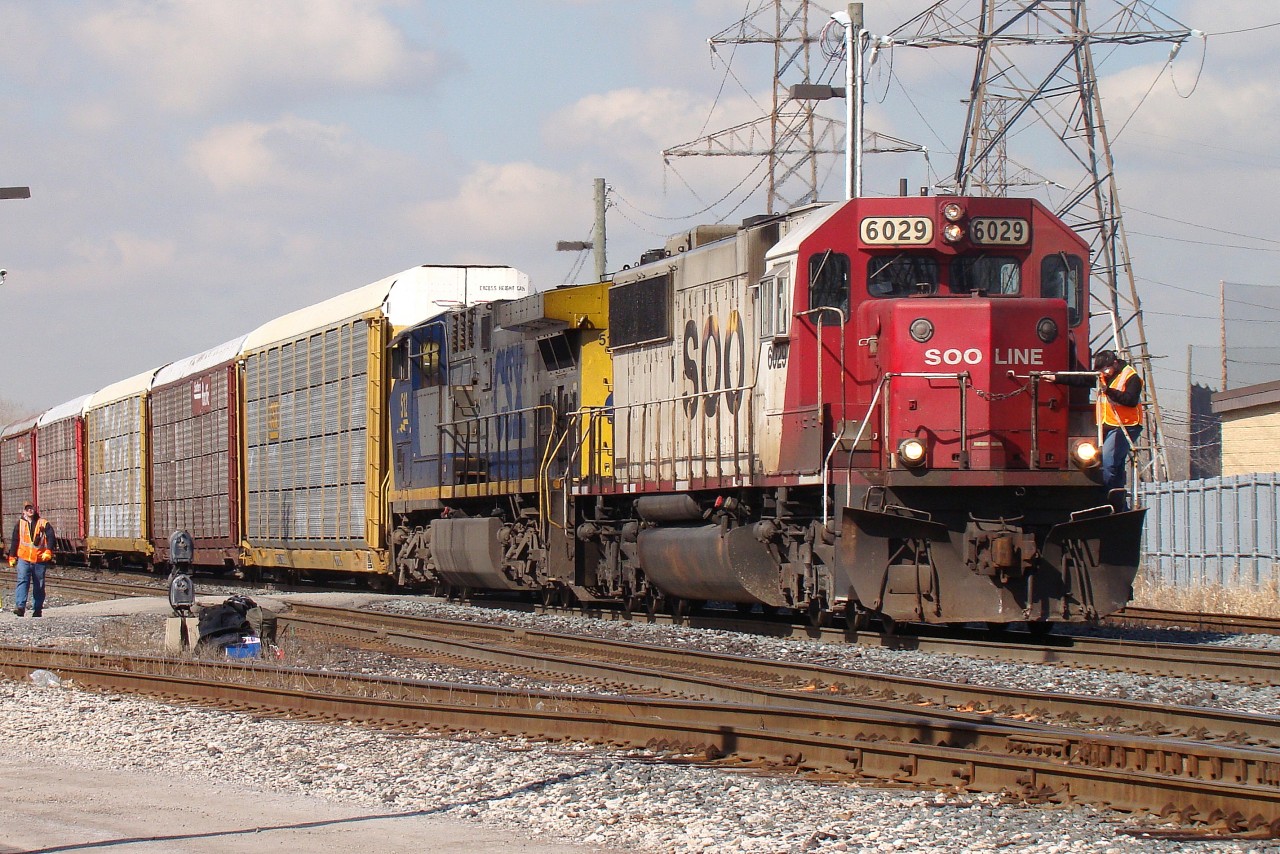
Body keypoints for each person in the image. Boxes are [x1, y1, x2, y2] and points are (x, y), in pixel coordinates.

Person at [1045, 349, 1143, 509]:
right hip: (1109, 425)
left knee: (1108, 461)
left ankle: (1105, 498)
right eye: (1100, 370)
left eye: (1106, 369)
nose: (1103, 373)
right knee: (1116, 466)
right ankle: (1119, 505)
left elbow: (1131, 400)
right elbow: (1081, 379)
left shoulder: (1131, 377)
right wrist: (1056, 377)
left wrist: (1109, 391)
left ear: (1115, 363)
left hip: (1126, 426)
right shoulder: (1102, 375)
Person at [7, 502, 55, 617]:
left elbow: (51, 536)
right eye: (27, 509)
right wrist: (12, 556)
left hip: (39, 559)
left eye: (31, 508)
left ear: (35, 510)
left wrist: (48, 551)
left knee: (39, 584)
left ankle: (37, 609)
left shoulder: (43, 523)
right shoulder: (20, 524)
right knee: (22, 580)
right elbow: (15, 540)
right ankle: (20, 607)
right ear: (24, 511)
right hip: (23, 559)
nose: (30, 510)